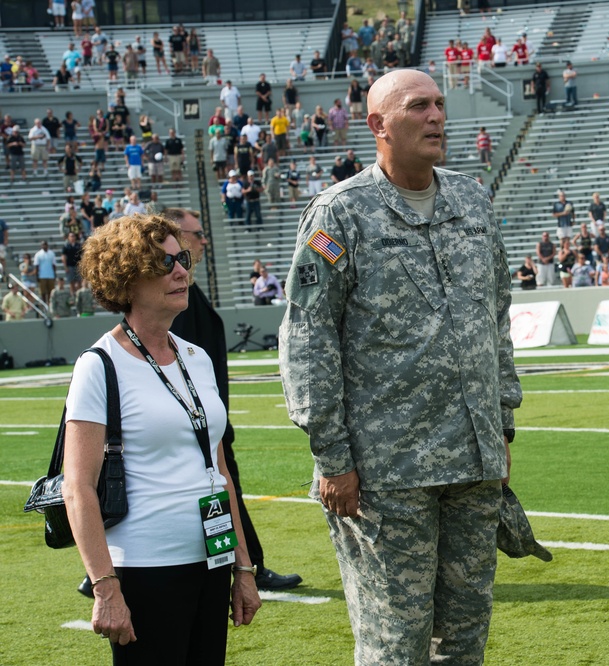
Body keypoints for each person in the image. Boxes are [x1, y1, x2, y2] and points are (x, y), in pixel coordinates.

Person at [278, 69, 521, 665]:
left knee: (463, 643)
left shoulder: (472, 200)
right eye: (419, 106)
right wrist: (332, 458)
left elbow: (497, 317)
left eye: (440, 104)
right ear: (378, 126)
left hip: (474, 461)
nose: (437, 116)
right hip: (386, 474)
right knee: (395, 645)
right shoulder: (341, 213)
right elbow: (307, 338)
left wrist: (502, 425)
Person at [62, 214, 261, 661]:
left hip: (211, 561)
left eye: (182, 258)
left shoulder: (197, 357)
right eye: (163, 263)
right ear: (126, 279)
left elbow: (218, 469)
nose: (181, 271)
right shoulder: (100, 364)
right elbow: (77, 487)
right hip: (144, 569)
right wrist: (106, 587)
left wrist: (242, 565)